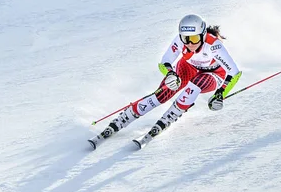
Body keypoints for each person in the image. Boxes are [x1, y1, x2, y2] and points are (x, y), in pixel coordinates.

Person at [89, 14, 242, 149]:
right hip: (189, 66)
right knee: (163, 93)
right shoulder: (181, 41)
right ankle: (123, 119)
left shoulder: (214, 45)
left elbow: (234, 72)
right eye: (185, 38)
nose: (189, 43)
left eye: (194, 38)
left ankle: (169, 117)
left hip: (213, 73)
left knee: (195, 85)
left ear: (202, 35)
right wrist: (170, 75)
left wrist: (220, 93)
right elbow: (164, 62)